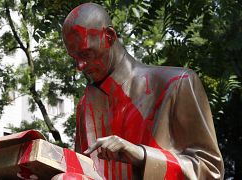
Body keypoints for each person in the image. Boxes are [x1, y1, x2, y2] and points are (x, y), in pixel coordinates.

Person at [57, 2, 224, 180]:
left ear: (109, 36)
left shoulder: (177, 84)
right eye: (74, 58)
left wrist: (141, 155)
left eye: (86, 54)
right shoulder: (86, 105)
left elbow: (210, 170)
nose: (80, 66)